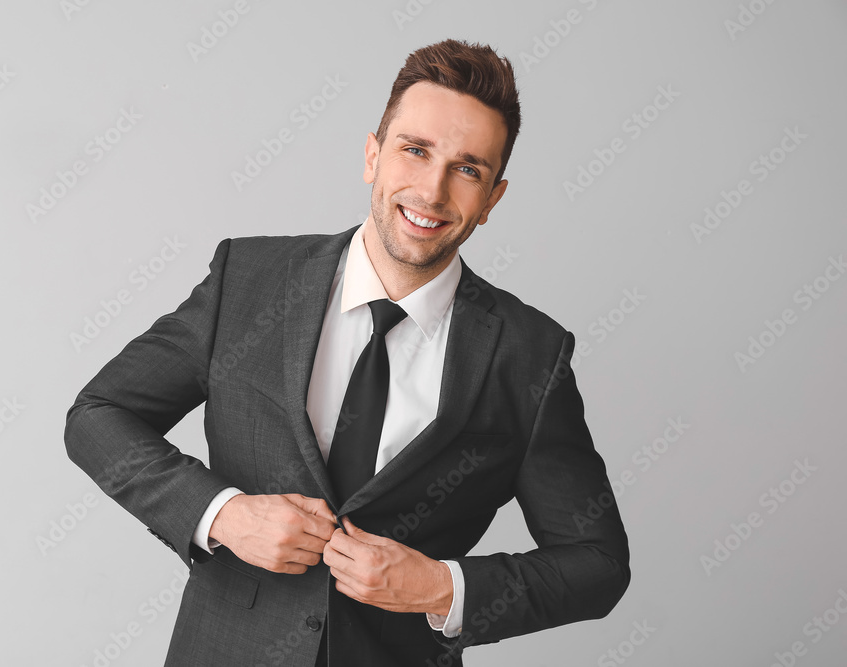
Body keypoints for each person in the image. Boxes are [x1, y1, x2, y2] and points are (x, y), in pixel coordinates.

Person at [64, 38, 629, 667]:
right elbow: (98, 415)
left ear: (493, 198)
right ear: (372, 155)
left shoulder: (529, 354)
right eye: (415, 151)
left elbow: (598, 563)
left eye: (467, 169)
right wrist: (222, 515)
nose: (432, 191)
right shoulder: (248, 280)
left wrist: (444, 587)